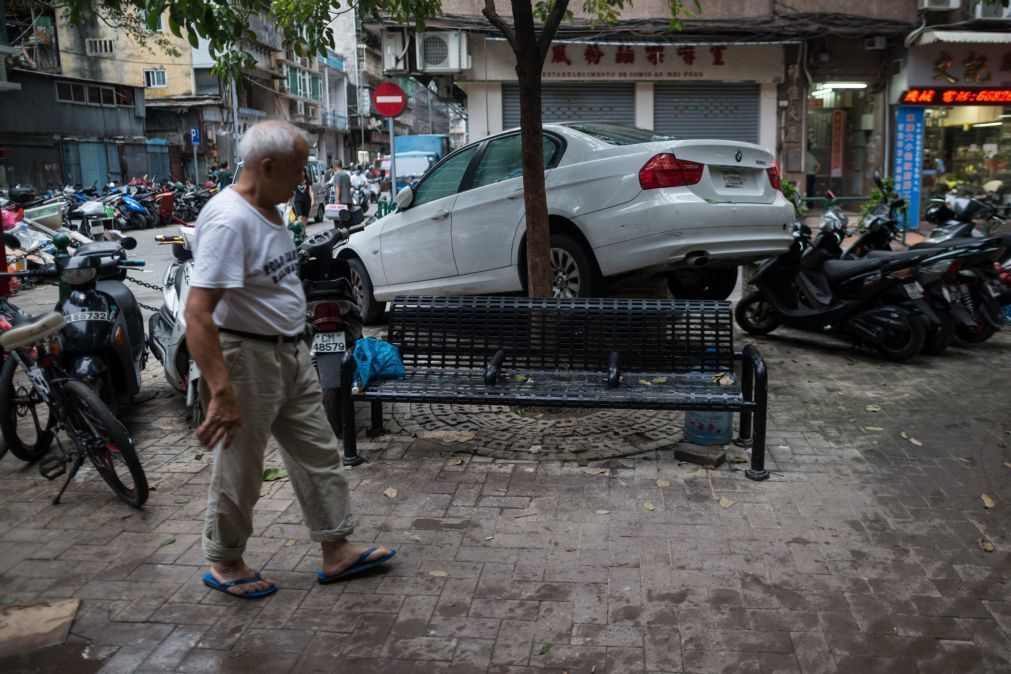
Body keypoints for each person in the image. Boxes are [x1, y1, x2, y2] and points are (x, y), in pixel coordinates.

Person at [185, 119, 395, 599]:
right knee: (242, 467)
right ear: (267, 166)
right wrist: (221, 391)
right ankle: (226, 560)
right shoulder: (229, 220)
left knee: (319, 452)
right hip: (245, 357)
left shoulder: (272, 211)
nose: (303, 181)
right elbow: (198, 313)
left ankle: (336, 549)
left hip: (288, 352)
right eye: (298, 170)